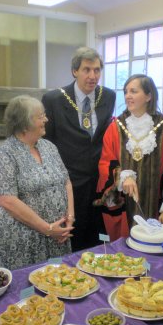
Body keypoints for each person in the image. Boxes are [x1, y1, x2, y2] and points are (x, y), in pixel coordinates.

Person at [95, 74, 163, 241]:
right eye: (126, 91)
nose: (127, 96)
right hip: (124, 205)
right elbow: (106, 162)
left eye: (133, 91)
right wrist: (122, 177)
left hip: (155, 205)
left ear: (148, 96)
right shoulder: (115, 127)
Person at [42, 47, 116, 251]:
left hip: (99, 181)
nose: (93, 76)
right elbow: (46, 142)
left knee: (97, 237)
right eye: (87, 70)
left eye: (97, 70)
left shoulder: (108, 96)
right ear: (75, 71)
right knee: (71, 236)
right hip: (68, 181)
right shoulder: (54, 99)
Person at [0, 95, 75, 270]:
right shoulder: (4, 155)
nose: (46, 119)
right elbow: (7, 200)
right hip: (22, 241)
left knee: (58, 284)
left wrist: (69, 220)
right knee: (26, 291)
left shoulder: (49, 147)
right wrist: (47, 228)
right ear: (25, 123)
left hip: (58, 235)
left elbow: (66, 182)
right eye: (40, 116)